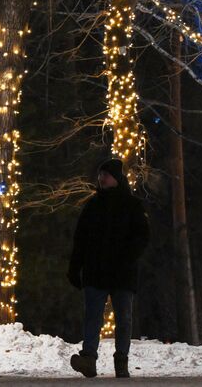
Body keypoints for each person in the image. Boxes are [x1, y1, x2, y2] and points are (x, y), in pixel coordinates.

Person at [68, 159, 149, 379]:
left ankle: (121, 361)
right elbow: (80, 240)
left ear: (116, 178)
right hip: (96, 271)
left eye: (106, 174)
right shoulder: (93, 205)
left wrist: (129, 257)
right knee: (93, 316)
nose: (101, 178)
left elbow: (142, 236)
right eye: (100, 174)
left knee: (123, 318)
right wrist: (75, 268)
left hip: (122, 272)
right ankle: (88, 359)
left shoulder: (131, 205)